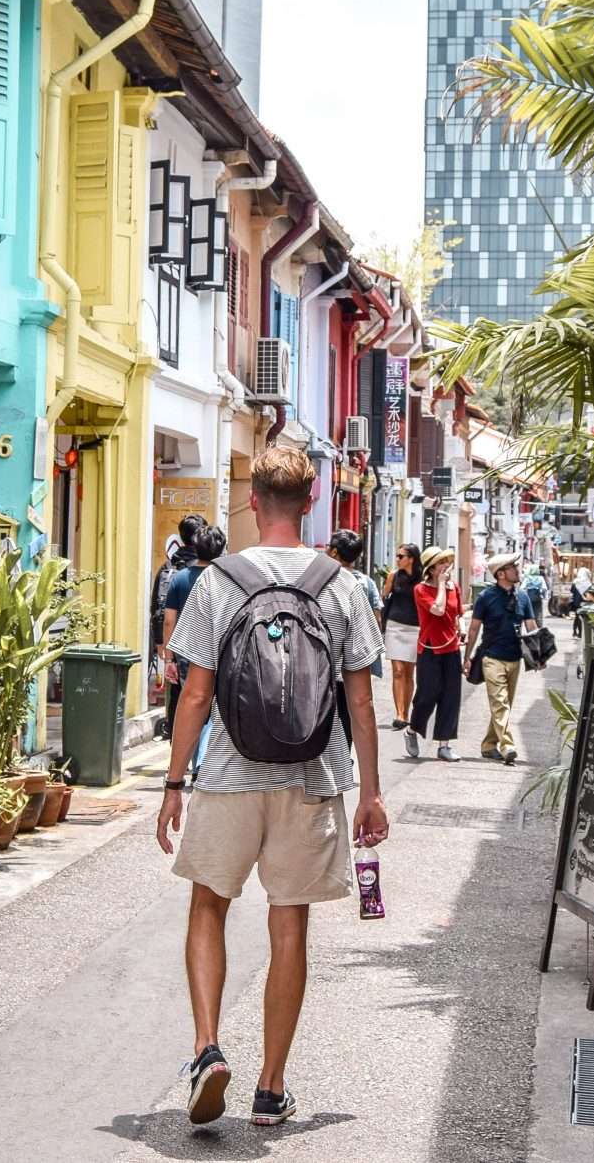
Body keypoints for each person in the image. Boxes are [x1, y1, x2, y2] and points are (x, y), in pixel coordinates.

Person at [159, 446, 388, 1129]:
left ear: (253, 501)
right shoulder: (341, 584)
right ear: (311, 503)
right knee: (289, 924)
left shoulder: (218, 580)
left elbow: (195, 694)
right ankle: (270, 1085)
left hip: (230, 776)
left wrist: (173, 782)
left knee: (208, 906)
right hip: (311, 778)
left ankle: (207, 1049)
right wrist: (371, 793)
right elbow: (362, 702)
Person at [467, 551, 540, 763]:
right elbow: (474, 629)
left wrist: (539, 655)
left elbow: (531, 626)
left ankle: (489, 745)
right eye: (513, 567)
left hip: (514, 658)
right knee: (500, 703)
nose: (517, 570)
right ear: (500, 574)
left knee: (503, 705)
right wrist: (467, 657)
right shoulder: (485, 597)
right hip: (492, 658)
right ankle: (507, 745)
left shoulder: (522, 597)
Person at [159, 525, 227, 742]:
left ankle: (193, 750)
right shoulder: (225, 580)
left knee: (191, 701)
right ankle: (206, 752)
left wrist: (168, 659)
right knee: (215, 703)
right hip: (218, 650)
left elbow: (169, 621)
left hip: (186, 651)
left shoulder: (179, 579)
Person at [406, 546, 464, 762]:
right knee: (427, 694)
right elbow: (438, 610)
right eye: (440, 563)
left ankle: (444, 745)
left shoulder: (454, 587)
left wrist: (461, 628)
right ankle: (412, 729)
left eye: (446, 562)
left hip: (451, 647)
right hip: (430, 648)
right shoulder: (421, 589)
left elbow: (457, 614)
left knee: (451, 696)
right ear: (430, 569)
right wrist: (441, 585)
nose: (445, 567)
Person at [150, 515, 206, 738]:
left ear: (181, 538)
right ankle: (199, 746)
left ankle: (176, 739)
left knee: (177, 693)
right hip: (202, 642)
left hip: (174, 643)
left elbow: (158, 609)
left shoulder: (168, 569)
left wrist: (161, 645)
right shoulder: (207, 569)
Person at [326, 529, 384, 682]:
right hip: (357, 661)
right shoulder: (368, 583)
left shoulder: (324, 579)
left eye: (328, 546)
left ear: (334, 552)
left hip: (328, 660)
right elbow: (377, 619)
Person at [382, 543, 422, 731]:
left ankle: (406, 712)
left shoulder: (422, 579)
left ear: (411, 559)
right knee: (398, 670)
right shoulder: (393, 576)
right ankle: (399, 714)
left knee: (409, 672)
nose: (397, 559)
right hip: (395, 626)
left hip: (415, 627)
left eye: (401, 556)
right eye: (397, 556)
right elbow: (384, 597)